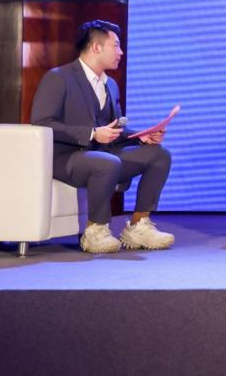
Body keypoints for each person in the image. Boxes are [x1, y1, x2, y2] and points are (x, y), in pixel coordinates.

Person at [29, 20, 173, 253]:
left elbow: (112, 129)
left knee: (159, 155)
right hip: (65, 158)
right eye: (116, 45)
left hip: (103, 155)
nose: (121, 52)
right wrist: (92, 134)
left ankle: (139, 225)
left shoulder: (110, 84)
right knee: (106, 162)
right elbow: (42, 123)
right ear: (96, 47)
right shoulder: (59, 77)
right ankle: (95, 231)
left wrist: (141, 137)